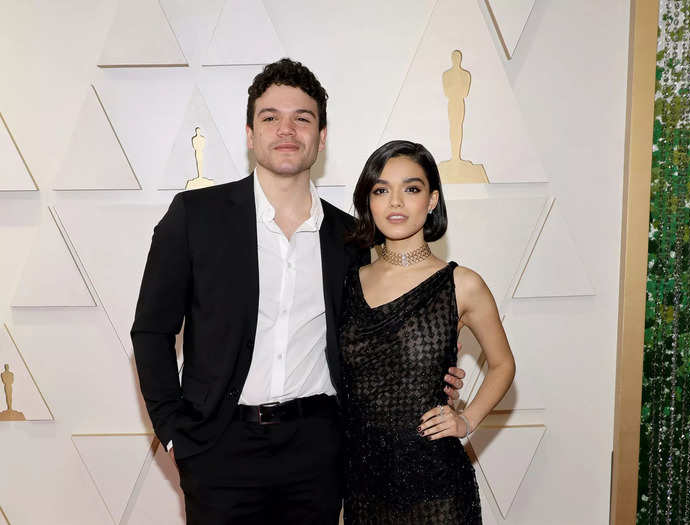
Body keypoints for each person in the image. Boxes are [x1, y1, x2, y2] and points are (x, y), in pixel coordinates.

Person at [132, 59, 465, 525]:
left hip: (319, 452)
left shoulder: (352, 238)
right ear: (250, 134)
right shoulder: (195, 216)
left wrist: (433, 374)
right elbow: (150, 331)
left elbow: (380, 332)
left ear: (321, 137)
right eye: (270, 117)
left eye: (302, 118)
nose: (286, 129)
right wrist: (173, 434)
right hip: (219, 450)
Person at [340, 140, 516, 524]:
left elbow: (503, 365)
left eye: (412, 189)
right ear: (368, 201)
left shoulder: (461, 284)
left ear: (432, 199)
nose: (396, 202)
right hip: (362, 486)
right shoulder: (346, 282)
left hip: (437, 488)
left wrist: (466, 420)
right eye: (381, 190)